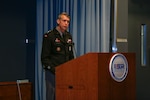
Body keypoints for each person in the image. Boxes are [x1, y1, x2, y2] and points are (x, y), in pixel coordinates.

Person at [41, 12, 74, 100]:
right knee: (52, 96)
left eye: (68, 21)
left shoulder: (68, 36)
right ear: (58, 21)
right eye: (64, 21)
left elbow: (71, 56)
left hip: (65, 73)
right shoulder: (49, 36)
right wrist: (55, 70)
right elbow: (44, 58)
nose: (66, 23)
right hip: (53, 73)